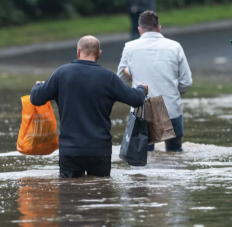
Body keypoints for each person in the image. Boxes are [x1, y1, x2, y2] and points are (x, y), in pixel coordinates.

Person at [30, 36, 149, 178]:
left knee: (69, 195)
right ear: (99, 54)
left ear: (78, 52)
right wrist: (141, 89)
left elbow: (36, 98)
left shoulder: (62, 74)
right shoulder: (108, 77)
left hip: (70, 151)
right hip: (100, 151)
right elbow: (136, 99)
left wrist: (38, 85)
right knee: (101, 193)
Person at [117, 11, 193, 152]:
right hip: (170, 107)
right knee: (174, 155)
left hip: (143, 108)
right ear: (159, 28)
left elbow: (120, 79)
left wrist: (132, 74)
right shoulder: (175, 47)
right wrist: (173, 93)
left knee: (143, 157)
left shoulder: (130, 47)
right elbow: (186, 81)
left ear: (140, 30)